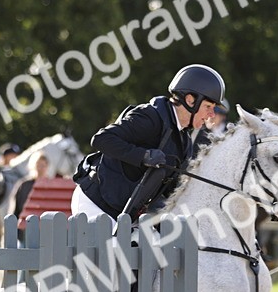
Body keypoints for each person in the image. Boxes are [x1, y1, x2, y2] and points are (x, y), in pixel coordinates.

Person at [72, 64, 225, 219]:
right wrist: (144, 156)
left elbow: (173, 191)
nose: (212, 115)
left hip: (125, 213)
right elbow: (101, 140)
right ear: (190, 100)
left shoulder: (184, 143)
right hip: (95, 201)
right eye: (208, 106)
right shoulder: (149, 117)